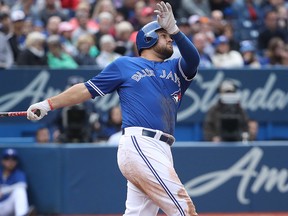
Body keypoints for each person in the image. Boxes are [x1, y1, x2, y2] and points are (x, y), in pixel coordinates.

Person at [26, 2, 200, 215]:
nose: (170, 39)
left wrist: (175, 30)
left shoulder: (175, 67)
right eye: (164, 35)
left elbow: (194, 59)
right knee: (183, 209)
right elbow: (86, 89)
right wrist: (48, 104)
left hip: (163, 148)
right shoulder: (125, 65)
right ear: (149, 38)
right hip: (140, 143)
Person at [0, 148, 29, 216]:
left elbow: (22, 185)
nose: (10, 162)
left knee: (20, 191)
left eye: (13, 159)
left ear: (16, 162)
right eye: (7, 158)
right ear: (2, 161)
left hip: (8, 206)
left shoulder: (18, 174)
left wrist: (2, 191)